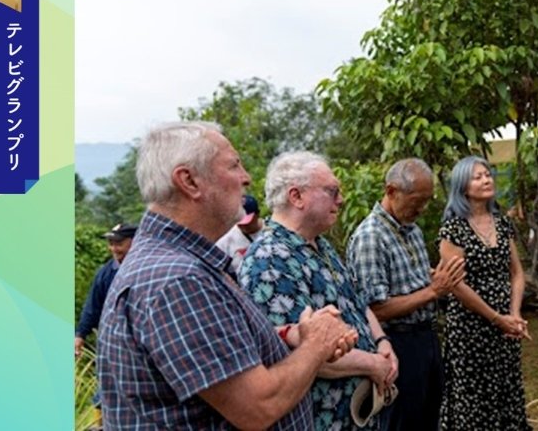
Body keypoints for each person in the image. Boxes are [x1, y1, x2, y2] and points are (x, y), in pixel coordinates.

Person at [97, 122, 356, 430]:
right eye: (234, 165)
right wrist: (317, 344)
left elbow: (214, 352)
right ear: (189, 181)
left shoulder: (181, 264)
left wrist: (290, 336)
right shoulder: (177, 280)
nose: (246, 178)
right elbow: (258, 406)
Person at [240, 151, 398, 431]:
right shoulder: (270, 259)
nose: (341, 199)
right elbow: (298, 353)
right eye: (332, 191)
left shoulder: (319, 243)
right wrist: (373, 363)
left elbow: (356, 302)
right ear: (296, 197)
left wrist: (382, 342)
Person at [347, 158, 466, 431]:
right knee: (403, 421)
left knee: (429, 416)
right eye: (416, 202)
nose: (422, 209)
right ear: (391, 191)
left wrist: (439, 281)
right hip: (397, 344)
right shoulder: (371, 237)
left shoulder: (411, 230)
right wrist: (432, 291)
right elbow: (374, 310)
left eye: (426, 201)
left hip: (426, 338)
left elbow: (418, 283)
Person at [438, 155, 531, 430]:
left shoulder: (502, 223)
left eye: (487, 174)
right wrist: (495, 318)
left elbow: (516, 273)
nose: (486, 179)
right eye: (477, 177)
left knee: (507, 390)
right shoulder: (453, 228)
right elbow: (456, 284)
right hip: (470, 329)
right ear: (463, 187)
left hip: (506, 328)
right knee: (474, 397)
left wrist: (513, 315)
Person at [75, 222, 136, 359]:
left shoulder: (149, 270)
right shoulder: (105, 273)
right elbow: (92, 307)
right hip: (114, 343)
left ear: (134, 243)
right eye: (111, 243)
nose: (114, 249)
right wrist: (80, 335)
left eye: (119, 244)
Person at [216, 193, 264, 273]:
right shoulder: (226, 240)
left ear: (257, 214)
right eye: (239, 221)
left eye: (247, 222)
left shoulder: (273, 231)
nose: (243, 225)